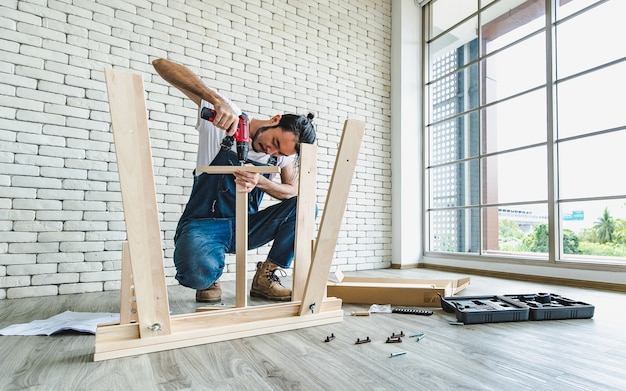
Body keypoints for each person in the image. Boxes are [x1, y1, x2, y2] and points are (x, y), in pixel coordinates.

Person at [152, 58, 316, 303]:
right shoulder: (229, 119)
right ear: (275, 119)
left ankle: (266, 276)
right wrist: (215, 100)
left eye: (281, 154)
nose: (272, 153)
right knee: (196, 275)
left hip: (246, 226)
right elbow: (161, 65)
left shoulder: (280, 157)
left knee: (306, 208)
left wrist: (262, 182)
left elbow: (292, 191)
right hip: (204, 224)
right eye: (275, 143)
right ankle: (209, 276)